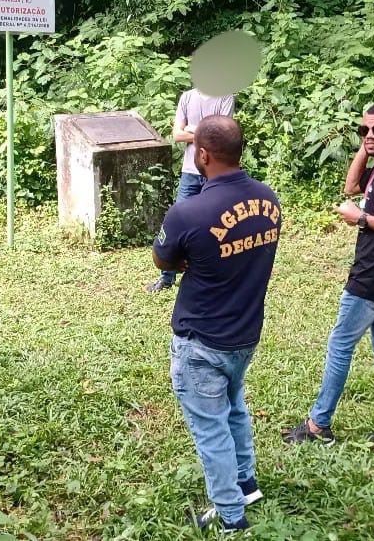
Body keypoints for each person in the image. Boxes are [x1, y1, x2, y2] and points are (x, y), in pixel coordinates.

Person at [152, 116, 281, 532]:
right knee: (234, 408)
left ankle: (230, 517)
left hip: (201, 340)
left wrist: (190, 258)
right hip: (244, 333)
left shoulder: (188, 212)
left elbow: (163, 259)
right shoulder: (269, 200)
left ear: (202, 154)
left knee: (211, 430)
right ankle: (246, 483)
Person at [283, 103, 374, 454]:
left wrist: (360, 219)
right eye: (364, 130)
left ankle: (318, 424)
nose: (370, 135)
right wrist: (367, 147)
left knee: (340, 346)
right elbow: (351, 186)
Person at [146, 87, 235, 293]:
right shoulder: (187, 97)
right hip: (190, 172)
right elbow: (177, 135)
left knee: (219, 222)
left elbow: (222, 137)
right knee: (180, 220)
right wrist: (205, 132)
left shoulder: (225, 97)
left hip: (215, 172)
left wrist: (192, 129)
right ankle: (167, 277)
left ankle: (214, 273)